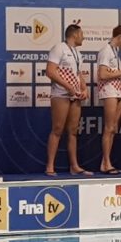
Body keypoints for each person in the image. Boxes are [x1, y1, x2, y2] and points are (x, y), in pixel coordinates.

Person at [45, 24, 90, 176]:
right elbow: (50, 71)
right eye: (82, 34)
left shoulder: (78, 53)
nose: (83, 37)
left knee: (73, 131)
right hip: (60, 94)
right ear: (75, 34)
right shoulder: (59, 48)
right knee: (57, 129)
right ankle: (50, 166)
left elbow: (78, 74)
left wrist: (84, 88)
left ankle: (74, 166)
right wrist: (68, 86)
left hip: (74, 95)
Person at [97, 25, 121, 174]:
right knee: (109, 128)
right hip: (109, 91)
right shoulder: (106, 51)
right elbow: (102, 74)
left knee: (113, 128)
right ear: (119, 37)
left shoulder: (114, 51)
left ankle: (105, 163)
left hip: (117, 92)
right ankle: (106, 163)